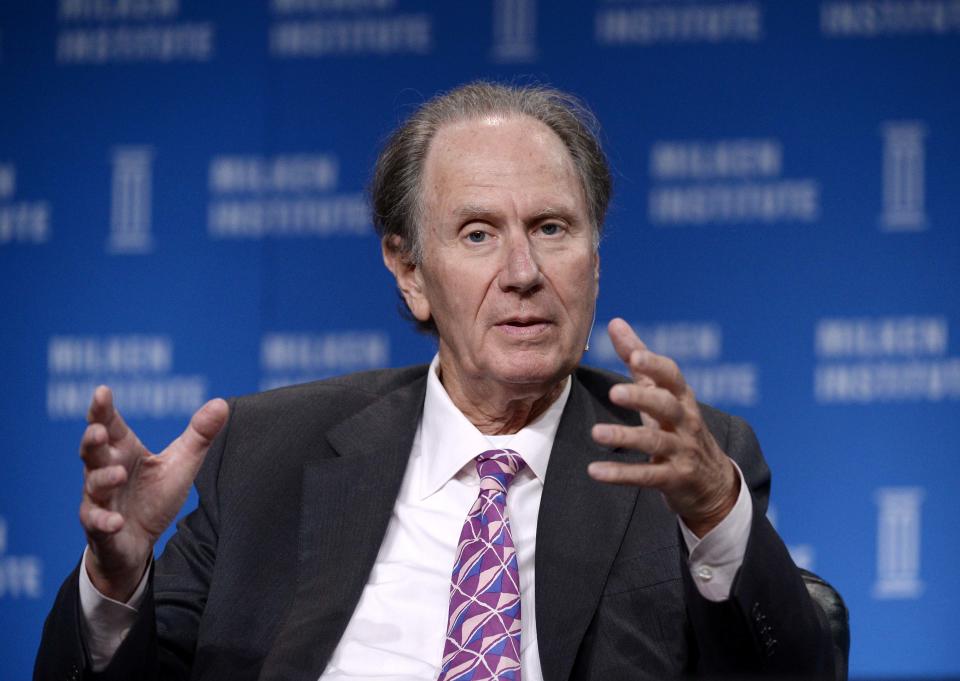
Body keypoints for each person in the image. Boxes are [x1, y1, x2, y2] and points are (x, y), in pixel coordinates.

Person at [35, 81, 834, 681]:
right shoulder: (267, 455)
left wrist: (717, 515)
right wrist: (116, 580)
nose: (523, 271)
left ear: (595, 256)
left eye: (552, 228)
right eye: (478, 232)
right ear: (410, 269)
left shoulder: (684, 464)